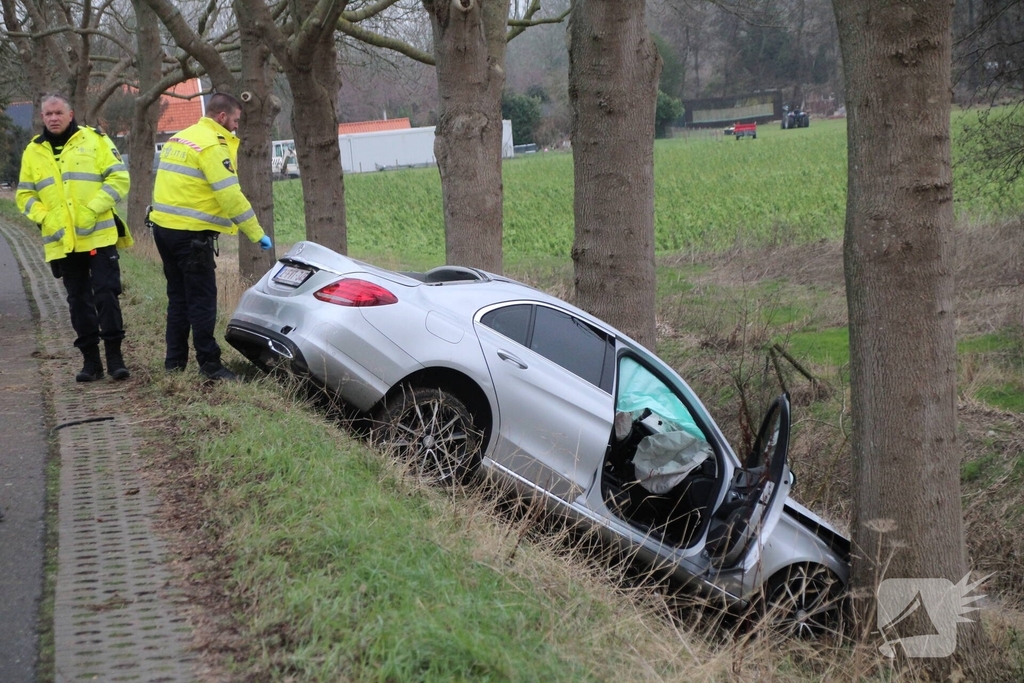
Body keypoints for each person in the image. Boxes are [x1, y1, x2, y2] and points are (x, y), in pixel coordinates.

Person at [149, 92, 272, 381]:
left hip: (163, 230)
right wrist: (256, 233)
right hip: (191, 237)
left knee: (178, 298)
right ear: (222, 117)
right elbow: (230, 195)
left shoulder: (180, 138)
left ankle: (174, 363)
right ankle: (210, 365)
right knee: (202, 301)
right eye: (236, 120)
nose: (237, 126)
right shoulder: (212, 146)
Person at [16, 93, 133, 382]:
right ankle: (91, 362)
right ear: (42, 117)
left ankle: (115, 358)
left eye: (58, 113)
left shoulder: (94, 140)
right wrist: (46, 218)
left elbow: (119, 179)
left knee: (106, 296)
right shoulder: (33, 151)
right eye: (48, 114)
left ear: (70, 115)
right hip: (62, 242)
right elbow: (25, 195)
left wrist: (92, 209)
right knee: (78, 302)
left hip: (98, 237)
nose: (53, 118)